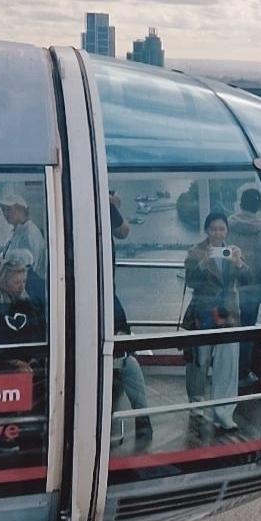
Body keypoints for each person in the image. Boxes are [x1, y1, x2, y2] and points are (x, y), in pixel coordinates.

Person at [183, 212, 245, 433]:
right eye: (214, 229)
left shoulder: (233, 251)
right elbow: (190, 280)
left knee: (228, 361)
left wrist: (238, 263)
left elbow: (247, 279)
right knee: (200, 359)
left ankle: (224, 412)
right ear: (207, 230)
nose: (218, 233)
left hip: (227, 313)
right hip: (204, 311)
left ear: (227, 230)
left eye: (222, 229)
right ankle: (197, 404)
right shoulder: (196, 252)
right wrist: (202, 263)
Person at [108, 190, 152, 445]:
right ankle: (143, 416)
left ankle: (134, 416)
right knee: (124, 356)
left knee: (122, 357)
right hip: (105, 295)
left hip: (96, 298)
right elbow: (124, 231)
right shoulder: (102, 199)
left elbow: (123, 231)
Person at [228, 188, 261, 385]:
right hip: (252, 290)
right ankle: (242, 374)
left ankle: (226, 371)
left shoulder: (228, 224)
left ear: (241, 203)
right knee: (247, 333)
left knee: (228, 331)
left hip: (230, 288)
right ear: (259, 206)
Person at [0, 191, 46, 299]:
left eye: (8, 209)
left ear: (21, 210)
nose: (5, 214)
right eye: (3, 210)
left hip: (24, 293)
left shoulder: (30, 234)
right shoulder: (16, 231)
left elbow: (25, 271)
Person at [0, 253, 45, 343]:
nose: (22, 287)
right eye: (16, 282)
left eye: (24, 281)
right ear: (4, 283)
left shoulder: (28, 303)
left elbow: (38, 331)